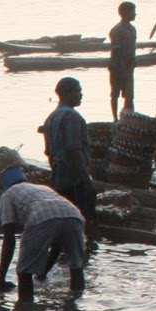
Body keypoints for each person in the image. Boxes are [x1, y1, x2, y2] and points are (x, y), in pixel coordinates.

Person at [0, 165, 88, 302]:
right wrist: (43, 273)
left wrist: (0, 279)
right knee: (76, 266)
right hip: (74, 215)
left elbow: (9, 239)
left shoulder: (7, 195)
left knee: (24, 272)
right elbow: (57, 243)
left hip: (41, 217)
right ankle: (75, 306)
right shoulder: (44, 188)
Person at [39, 76, 95, 221]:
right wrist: (86, 180)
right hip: (75, 180)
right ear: (67, 94)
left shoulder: (51, 117)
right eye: (78, 91)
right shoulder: (72, 116)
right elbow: (74, 150)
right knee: (83, 219)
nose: (81, 95)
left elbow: (48, 152)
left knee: (65, 218)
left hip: (59, 179)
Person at [108, 0, 137, 120]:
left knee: (129, 96)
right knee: (115, 94)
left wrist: (131, 63)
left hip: (129, 66)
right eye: (133, 12)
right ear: (126, 13)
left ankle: (128, 119)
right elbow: (116, 50)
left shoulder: (132, 29)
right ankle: (115, 119)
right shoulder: (117, 30)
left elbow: (132, 48)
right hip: (117, 66)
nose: (135, 14)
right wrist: (120, 65)